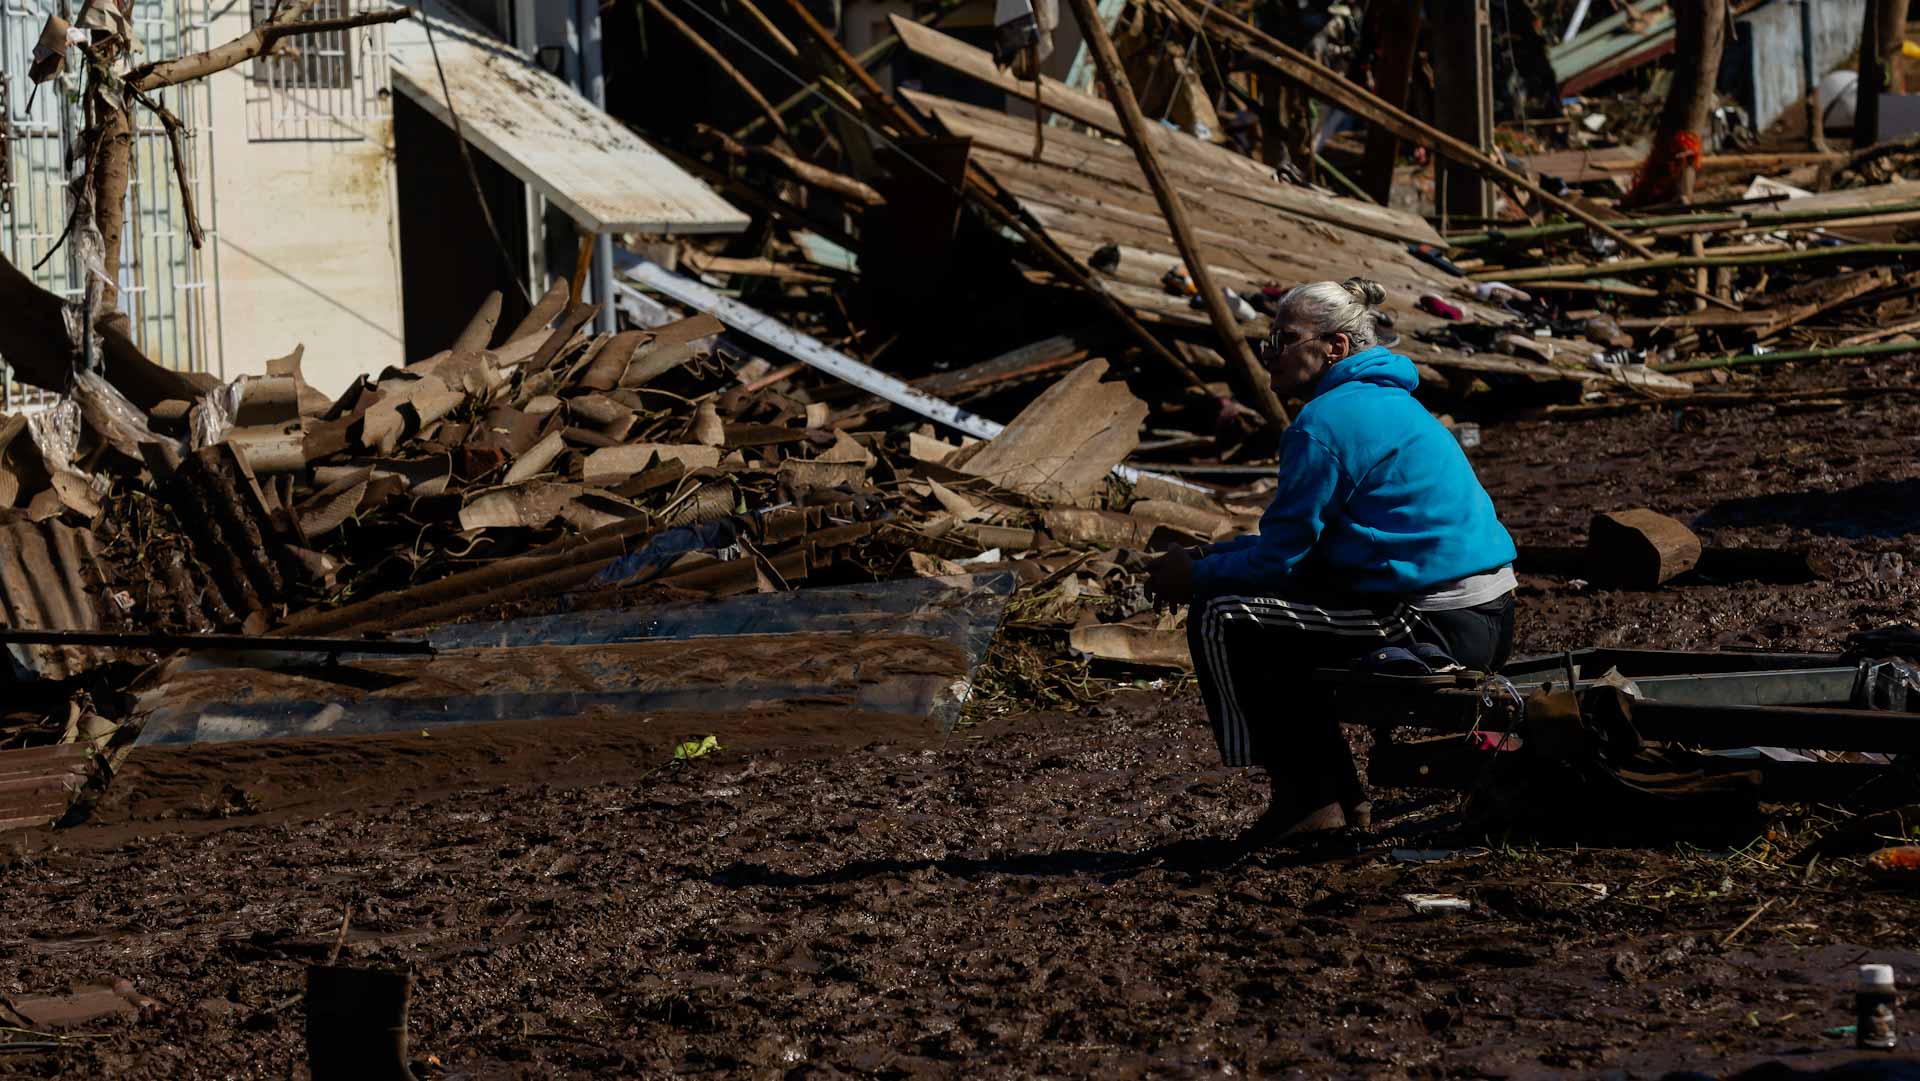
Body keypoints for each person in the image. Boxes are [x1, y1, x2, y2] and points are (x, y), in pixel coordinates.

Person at [1145, 277, 1517, 842]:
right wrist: (1214, 554)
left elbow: (1279, 563)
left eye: (1284, 338)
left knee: (1224, 614)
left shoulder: (1323, 425)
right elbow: (1298, 549)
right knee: (1273, 620)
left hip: (1432, 622)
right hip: (1480, 613)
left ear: (1335, 348)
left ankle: (1305, 798)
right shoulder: (1389, 404)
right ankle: (1335, 794)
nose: (1270, 352)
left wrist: (1195, 574)